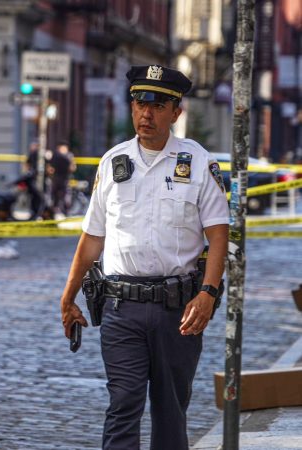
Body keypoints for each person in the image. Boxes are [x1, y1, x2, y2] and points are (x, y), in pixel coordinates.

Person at [59, 65, 229, 450]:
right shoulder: (113, 163)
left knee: (170, 411)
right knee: (123, 403)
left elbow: (219, 235)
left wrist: (208, 293)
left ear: (176, 112)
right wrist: (68, 296)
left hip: (179, 310)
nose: (145, 114)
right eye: (139, 104)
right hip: (122, 308)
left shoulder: (198, 163)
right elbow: (91, 238)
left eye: (156, 105)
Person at [48, 141, 76, 216]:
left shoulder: (69, 156)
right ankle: (54, 213)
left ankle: (65, 212)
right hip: (57, 178)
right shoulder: (55, 155)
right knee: (55, 197)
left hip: (65, 179)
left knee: (66, 196)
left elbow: (73, 168)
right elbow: (50, 168)